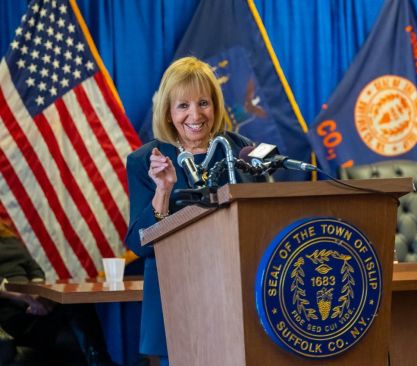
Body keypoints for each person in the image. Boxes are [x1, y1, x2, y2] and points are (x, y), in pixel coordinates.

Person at [125, 56, 263, 365]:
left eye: (203, 103)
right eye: (183, 106)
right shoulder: (146, 160)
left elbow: (264, 215)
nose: (195, 114)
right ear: (169, 113)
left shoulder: (240, 149)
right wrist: (163, 190)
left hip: (237, 296)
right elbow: (137, 243)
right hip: (178, 302)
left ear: (215, 106)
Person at [0, 235, 114, 365]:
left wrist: (39, 295)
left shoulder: (10, 240)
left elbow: (35, 270)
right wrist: (25, 297)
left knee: (76, 301)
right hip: (10, 311)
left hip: (35, 302)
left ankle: (99, 359)